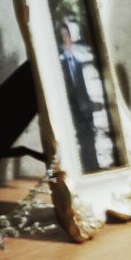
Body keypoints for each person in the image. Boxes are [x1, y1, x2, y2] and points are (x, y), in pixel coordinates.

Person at [57, 18, 108, 173]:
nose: (66, 40)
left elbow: (82, 89)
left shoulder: (76, 61)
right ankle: (86, 170)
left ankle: (94, 168)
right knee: (80, 144)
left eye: (67, 36)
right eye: (62, 37)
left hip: (85, 111)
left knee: (90, 142)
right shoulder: (59, 65)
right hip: (74, 112)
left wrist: (92, 105)